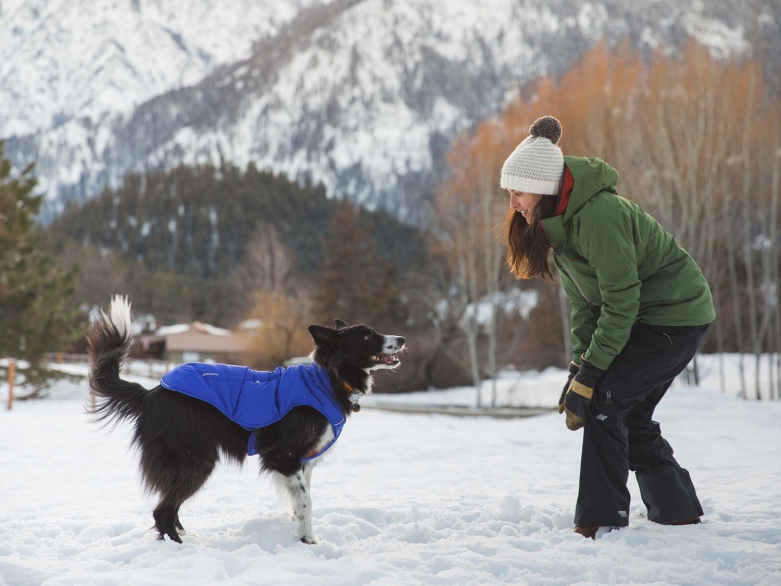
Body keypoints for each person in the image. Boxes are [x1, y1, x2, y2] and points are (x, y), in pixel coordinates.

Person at [500, 115, 715, 539]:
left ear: (543, 189)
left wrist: (592, 377)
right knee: (626, 412)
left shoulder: (598, 216)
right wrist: (577, 370)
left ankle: (599, 521)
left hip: (675, 315)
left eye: (518, 193)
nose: (513, 204)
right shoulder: (558, 227)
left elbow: (620, 302)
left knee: (606, 401)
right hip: (646, 316)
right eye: (509, 193)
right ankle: (678, 514)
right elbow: (585, 307)